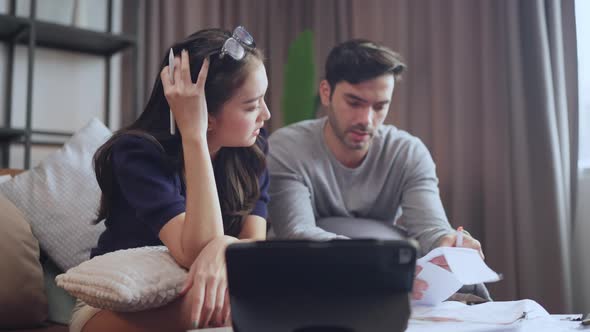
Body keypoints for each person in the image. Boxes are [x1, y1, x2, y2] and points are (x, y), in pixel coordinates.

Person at [70, 27, 271, 332]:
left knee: (262, 304)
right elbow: (197, 251)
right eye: (252, 105)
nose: (266, 115)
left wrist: (227, 244)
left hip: (206, 295)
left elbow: (253, 249)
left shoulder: (250, 151)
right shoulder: (137, 153)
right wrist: (194, 134)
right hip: (117, 302)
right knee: (237, 311)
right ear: (207, 114)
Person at [267, 39, 489, 300]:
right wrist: (386, 264)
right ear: (326, 93)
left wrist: (448, 245)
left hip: (383, 279)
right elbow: (298, 234)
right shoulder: (287, 147)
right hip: (308, 277)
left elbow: (431, 229)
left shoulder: (408, 153)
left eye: (379, 106)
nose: (366, 120)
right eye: (354, 102)